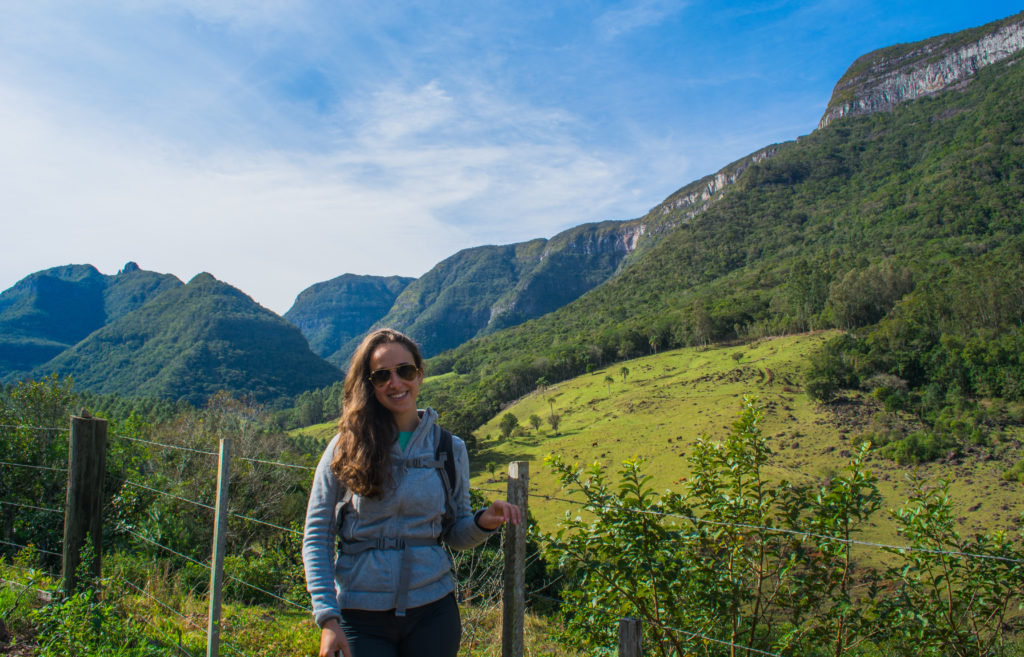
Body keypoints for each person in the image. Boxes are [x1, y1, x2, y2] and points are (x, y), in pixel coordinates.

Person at [302, 328, 521, 657]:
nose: (395, 383)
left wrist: (483, 522)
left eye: (404, 371)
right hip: (360, 614)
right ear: (370, 385)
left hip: (434, 611)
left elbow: (454, 533)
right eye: (381, 376)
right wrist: (327, 618)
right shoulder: (345, 447)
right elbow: (317, 534)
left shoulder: (449, 448)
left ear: (420, 375)